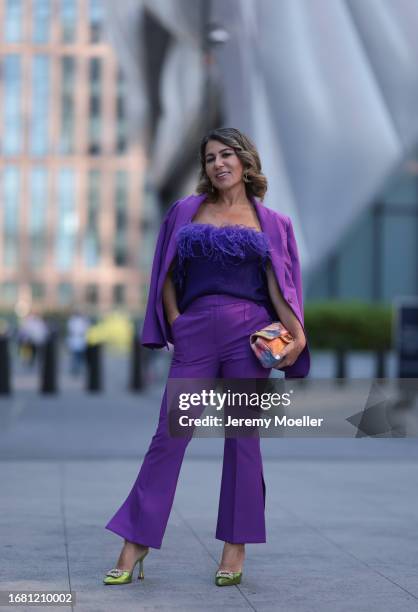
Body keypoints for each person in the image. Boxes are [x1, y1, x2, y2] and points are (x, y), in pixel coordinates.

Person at [104, 127, 310, 587]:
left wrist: (296, 336)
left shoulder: (272, 221)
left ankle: (235, 547)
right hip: (196, 330)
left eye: (226, 155)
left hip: (250, 334)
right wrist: (178, 321)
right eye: (211, 157)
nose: (218, 163)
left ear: (244, 160)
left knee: (243, 439)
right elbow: (168, 273)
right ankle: (135, 541)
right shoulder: (186, 211)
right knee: (169, 436)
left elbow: (281, 287)